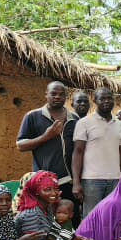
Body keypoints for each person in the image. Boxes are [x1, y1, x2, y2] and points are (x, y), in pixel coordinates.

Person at [16, 81, 80, 220]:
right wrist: (46, 136)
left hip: (70, 181)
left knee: (69, 219)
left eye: (61, 94)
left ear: (66, 97)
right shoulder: (33, 116)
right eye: (53, 93)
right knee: (45, 218)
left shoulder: (74, 119)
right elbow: (21, 145)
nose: (57, 97)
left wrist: (78, 180)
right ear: (46, 94)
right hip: (45, 182)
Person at [72, 87, 121, 217]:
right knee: (91, 218)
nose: (106, 101)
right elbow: (78, 152)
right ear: (95, 101)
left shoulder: (119, 124)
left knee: (112, 217)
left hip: (115, 179)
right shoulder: (84, 123)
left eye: (109, 98)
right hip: (91, 180)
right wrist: (76, 182)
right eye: (102, 98)